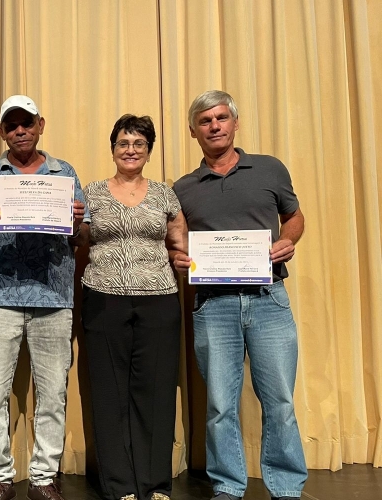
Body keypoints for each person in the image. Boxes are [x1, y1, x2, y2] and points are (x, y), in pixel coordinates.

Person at [172, 90, 307, 500]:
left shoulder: (269, 169)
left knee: (280, 400)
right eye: (205, 121)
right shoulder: (182, 187)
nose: (214, 126)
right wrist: (180, 259)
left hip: (269, 300)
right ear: (194, 132)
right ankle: (228, 486)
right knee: (218, 406)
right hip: (213, 305)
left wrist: (287, 239)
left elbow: (295, 215)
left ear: (234, 122)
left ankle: (286, 487)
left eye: (221, 118)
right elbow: (177, 242)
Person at [0, 95, 89, 500]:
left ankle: (44, 476)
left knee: (52, 393)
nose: (20, 130)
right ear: (2, 131)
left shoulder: (63, 172)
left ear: (40, 125)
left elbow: (81, 239)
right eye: (11, 124)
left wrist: (77, 222)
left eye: (27, 123)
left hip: (54, 296)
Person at [81, 114, 187, 500]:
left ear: (148, 151)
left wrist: (186, 260)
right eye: (123, 143)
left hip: (159, 300)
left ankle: (155, 484)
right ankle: (120, 486)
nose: (130, 150)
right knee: (109, 393)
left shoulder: (164, 194)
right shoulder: (90, 192)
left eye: (138, 144)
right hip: (103, 298)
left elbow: (179, 244)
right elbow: (78, 240)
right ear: (113, 149)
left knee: (156, 392)